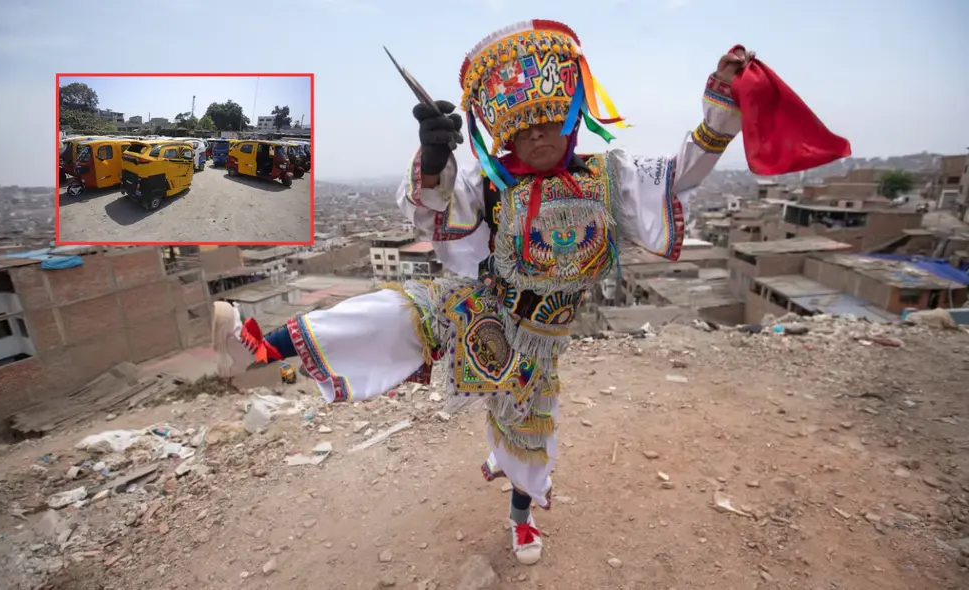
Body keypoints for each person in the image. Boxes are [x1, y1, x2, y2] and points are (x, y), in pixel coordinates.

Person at [211, 19, 752, 566]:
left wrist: (724, 103)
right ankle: (256, 347)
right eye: (525, 128)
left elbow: (683, 172)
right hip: (480, 305)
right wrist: (435, 158)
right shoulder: (490, 183)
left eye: (548, 122)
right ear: (506, 135)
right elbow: (432, 210)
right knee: (394, 314)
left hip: (540, 341)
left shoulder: (612, 177)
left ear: (570, 122)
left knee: (528, 435)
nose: (538, 135)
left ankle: (521, 520)